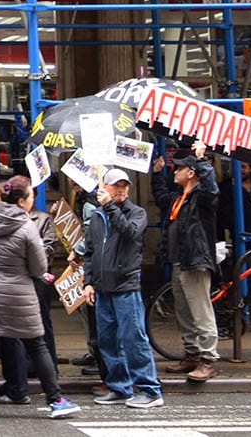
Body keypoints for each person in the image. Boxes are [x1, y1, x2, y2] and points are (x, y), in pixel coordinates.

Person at [0, 178, 80, 421]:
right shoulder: (26, 225)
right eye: (30, 197)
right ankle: (55, 400)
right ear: (20, 201)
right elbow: (39, 267)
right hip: (20, 295)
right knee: (37, 346)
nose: (32, 201)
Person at [81, 168, 163, 409]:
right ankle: (120, 387)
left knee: (133, 337)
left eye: (124, 185)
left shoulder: (136, 213)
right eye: (116, 185)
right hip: (103, 287)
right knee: (107, 340)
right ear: (104, 187)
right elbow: (90, 253)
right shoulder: (97, 217)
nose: (121, 190)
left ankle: (150, 389)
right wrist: (88, 282)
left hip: (125, 285)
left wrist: (110, 207)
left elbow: (130, 232)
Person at [151, 143, 219, 382]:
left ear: (190, 173)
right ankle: (192, 354)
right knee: (184, 311)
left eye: (178, 169)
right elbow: (160, 197)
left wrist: (202, 161)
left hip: (195, 262)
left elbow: (212, 190)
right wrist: (157, 174)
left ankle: (208, 359)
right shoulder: (179, 198)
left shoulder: (201, 197)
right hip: (180, 261)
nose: (174, 172)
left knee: (200, 311)